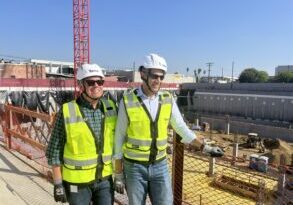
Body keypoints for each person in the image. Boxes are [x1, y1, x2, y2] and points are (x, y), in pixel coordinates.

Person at [113, 53, 224, 205]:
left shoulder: (167, 99)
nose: (158, 80)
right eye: (154, 76)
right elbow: (118, 138)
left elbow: (181, 128)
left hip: (160, 165)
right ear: (143, 74)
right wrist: (118, 173)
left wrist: (205, 147)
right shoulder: (128, 100)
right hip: (134, 167)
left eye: (161, 77)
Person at [46, 63, 117, 205]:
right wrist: (58, 184)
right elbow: (54, 151)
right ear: (81, 85)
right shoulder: (67, 111)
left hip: (104, 179)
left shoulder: (111, 107)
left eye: (100, 81)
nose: (96, 85)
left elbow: (120, 142)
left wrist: (120, 174)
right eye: (91, 82)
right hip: (77, 183)